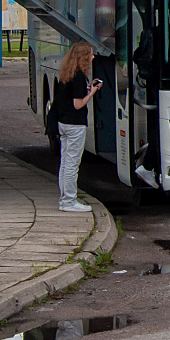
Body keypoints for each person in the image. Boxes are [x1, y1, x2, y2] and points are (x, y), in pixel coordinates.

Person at [55, 41, 101, 213]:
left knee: (65, 162)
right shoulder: (79, 76)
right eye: (90, 53)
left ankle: (64, 198)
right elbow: (78, 103)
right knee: (72, 164)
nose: (93, 57)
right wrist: (92, 93)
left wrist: (88, 87)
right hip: (75, 125)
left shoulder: (67, 73)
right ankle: (69, 201)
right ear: (83, 57)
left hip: (64, 123)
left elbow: (70, 95)